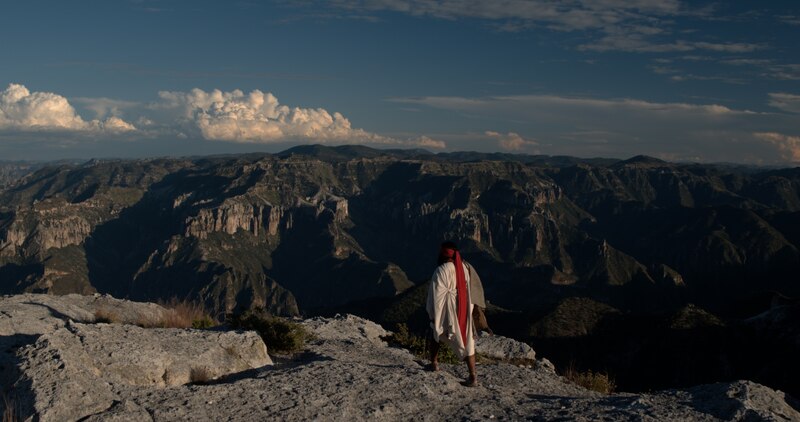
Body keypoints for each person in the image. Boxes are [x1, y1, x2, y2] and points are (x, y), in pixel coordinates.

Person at [426, 241, 478, 386]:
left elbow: (436, 294)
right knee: (468, 341)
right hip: (463, 309)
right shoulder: (464, 268)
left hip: (447, 309)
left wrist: (432, 312)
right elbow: (469, 291)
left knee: (436, 331)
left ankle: (434, 363)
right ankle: (473, 376)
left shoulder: (441, 270)